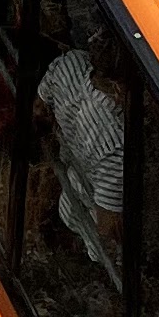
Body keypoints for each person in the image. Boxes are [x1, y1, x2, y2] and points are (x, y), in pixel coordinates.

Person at [37, 41, 126, 265]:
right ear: (118, 87)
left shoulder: (71, 63)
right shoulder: (114, 147)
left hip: (72, 185)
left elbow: (38, 110)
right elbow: (109, 235)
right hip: (88, 208)